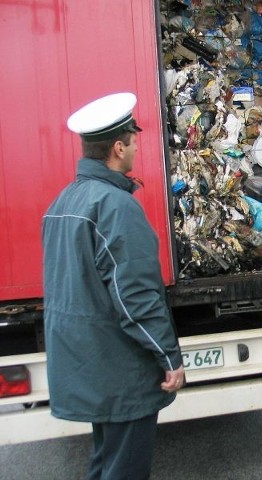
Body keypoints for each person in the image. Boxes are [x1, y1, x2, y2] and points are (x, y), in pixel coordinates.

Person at [42, 92, 184, 480]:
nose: (137, 148)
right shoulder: (115, 206)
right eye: (134, 141)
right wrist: (168, 357)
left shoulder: (63, 202)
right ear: (118, 147)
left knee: (105, 464)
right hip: (121, 369)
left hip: (91, 364)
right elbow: (134, 296)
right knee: (123, 471)